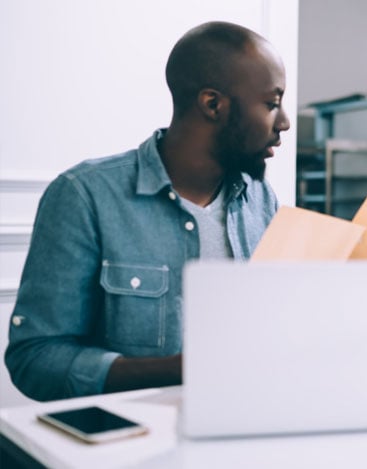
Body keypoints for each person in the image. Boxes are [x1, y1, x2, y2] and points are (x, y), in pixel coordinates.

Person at [5, 21, 290, 401]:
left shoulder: (261, 199)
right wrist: (179, 371)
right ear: (212, 104)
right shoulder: (84, 195)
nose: (284, 122)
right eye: (271, 104)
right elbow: (35, 360)